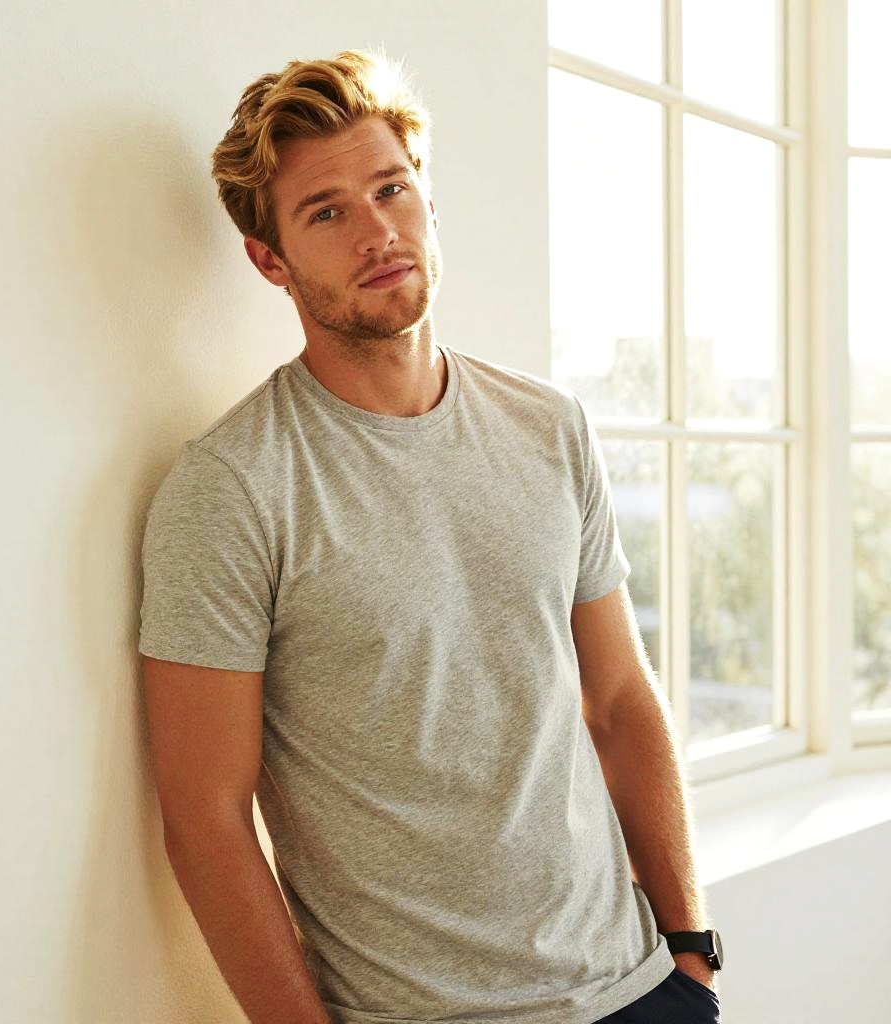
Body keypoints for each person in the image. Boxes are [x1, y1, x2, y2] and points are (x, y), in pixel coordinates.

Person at [138, 49, 723, 1024]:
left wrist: (689, 951)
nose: (376, 232)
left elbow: (619, 700)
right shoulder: (230, 489)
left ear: (427, 200)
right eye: (326, 212)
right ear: (268, 259)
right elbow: (204, 819)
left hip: (635, 990)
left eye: (391, 189)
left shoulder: (549, 426)